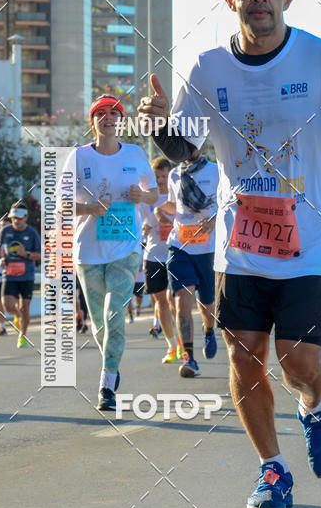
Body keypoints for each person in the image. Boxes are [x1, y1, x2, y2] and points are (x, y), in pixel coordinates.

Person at [138, 0, 321, 508]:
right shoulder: (207, 67)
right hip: (241, 244)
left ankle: (313, 407)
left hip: (312, 242)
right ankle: (272, 470)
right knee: (244, 356)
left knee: (299, 359)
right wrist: (159, 127)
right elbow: (186, 147)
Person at [66, 95, 158, 411]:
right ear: (93, 121)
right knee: (100, 326)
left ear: (121, 121)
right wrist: (90, 208)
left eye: (114, 113)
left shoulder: (134, 153)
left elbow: (155, 192)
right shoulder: (78, 157)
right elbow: (59, 203)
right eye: (101, 113)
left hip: (126, 246)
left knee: (113, 313)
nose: (108, 118)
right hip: (88, 251)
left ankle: (106, 383)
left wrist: (142, 195)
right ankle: (112, 363)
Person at [155, 147, 219, 378]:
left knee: (207, 303)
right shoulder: (174, 174)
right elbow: (176, 206)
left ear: (201, 145)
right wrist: (160, 210)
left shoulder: (216, 171)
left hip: (208, 249)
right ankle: (189, 358)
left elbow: (230, 203)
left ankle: (209, 329)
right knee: (182, 300)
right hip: (180, 246)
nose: (189, 147)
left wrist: (214, 220)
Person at [142, 156, 181, 363]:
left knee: (173, 301)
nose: (159, 180)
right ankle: (171, 345)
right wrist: (143, 229)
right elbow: (138, 222)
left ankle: (183, 342)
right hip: (152, 254)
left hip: (174, 253)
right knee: (160, 302)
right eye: (156, 176)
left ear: (169, 175)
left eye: (163, 176)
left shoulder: (177, 198)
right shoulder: (147, 198)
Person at [0, 203, 40, 348]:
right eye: (13, 217)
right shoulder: (5, 231)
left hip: (27, 276)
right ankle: (17, 316)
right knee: (7, 306)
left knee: (24, 308)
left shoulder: (32, 233)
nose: (16, 220)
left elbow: (40, 255)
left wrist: (25, 254)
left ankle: (23, 335)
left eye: (19, 217)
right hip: (9, 275)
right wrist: (0, 258)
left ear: (26, 217)